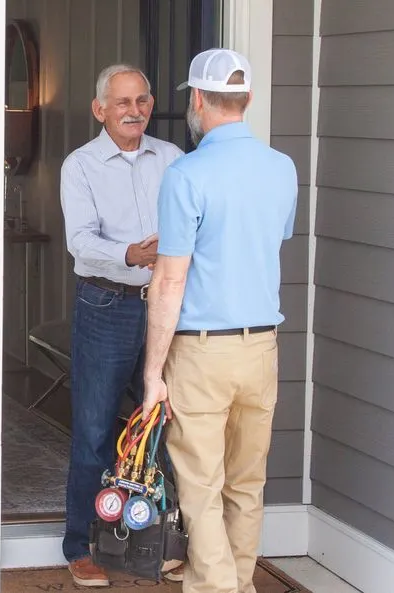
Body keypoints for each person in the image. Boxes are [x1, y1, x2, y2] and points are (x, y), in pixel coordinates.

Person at [141, 48, 299, 593]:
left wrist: (153, 373)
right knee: (246, 484)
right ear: (247, 99)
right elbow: (267, 240)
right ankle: (240, 584)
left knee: (201, 487)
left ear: (198, 100)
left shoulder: (186, 174)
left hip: (202, 351)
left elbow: (170, 280)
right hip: (262, 348)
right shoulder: (282, 168)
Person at [58, 63, 184, 588]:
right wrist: (130, 254)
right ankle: (80, 546)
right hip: (107, 304)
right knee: (94, 429)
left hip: (167, 305)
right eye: (123, 102)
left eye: (142, 100)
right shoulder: (81, 165)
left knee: (164, 427)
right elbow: (80, 242)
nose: (135, 111)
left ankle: (164, 543)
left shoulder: (172, 158)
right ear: (100, 110)